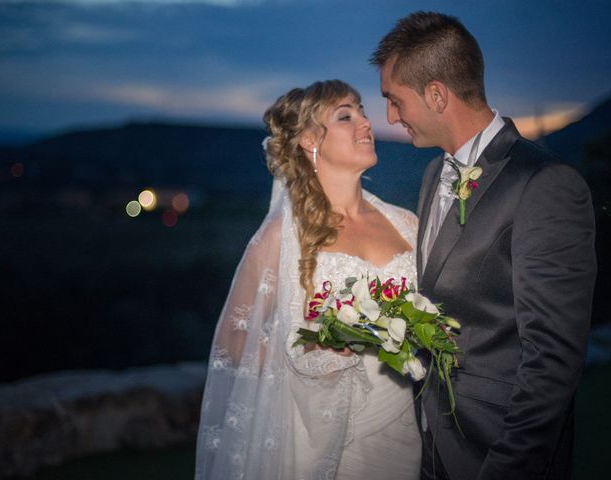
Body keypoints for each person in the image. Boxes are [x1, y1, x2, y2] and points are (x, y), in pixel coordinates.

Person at [370, 11, 597, 480]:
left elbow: (552, 362)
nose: (390, 116)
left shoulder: (545, 184)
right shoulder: (435, 175)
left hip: (498, 455)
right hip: (434, 448)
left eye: (395, 100)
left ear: (436, 94)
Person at [195, 80, 422, 479]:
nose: (366, 124)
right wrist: (312, 357)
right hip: (315, 428)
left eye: (362, 112)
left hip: (400, 423)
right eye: (345, 116)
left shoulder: (406, 224)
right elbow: (234, 341)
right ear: (308, 141)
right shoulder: (282, 236)